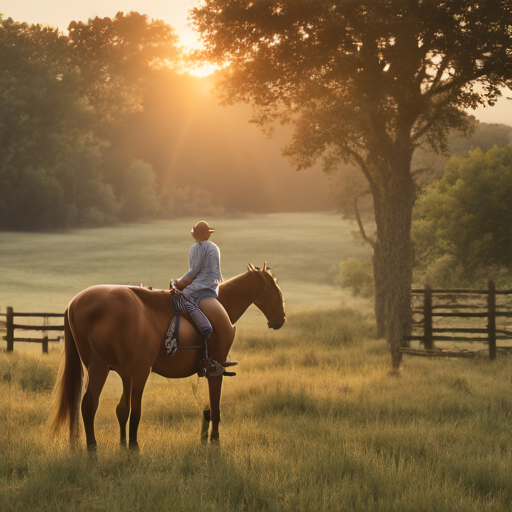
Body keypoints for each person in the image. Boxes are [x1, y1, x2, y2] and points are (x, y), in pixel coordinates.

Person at [172, 221, 236, 367]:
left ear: (195, 235)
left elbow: (194, 271)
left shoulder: (196, 248)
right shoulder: (214, 247)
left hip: (199, 290)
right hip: (212, 289)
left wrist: (179, 283)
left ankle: (206, 354)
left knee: (184, 304)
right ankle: (218, 358)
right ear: (208, 234)